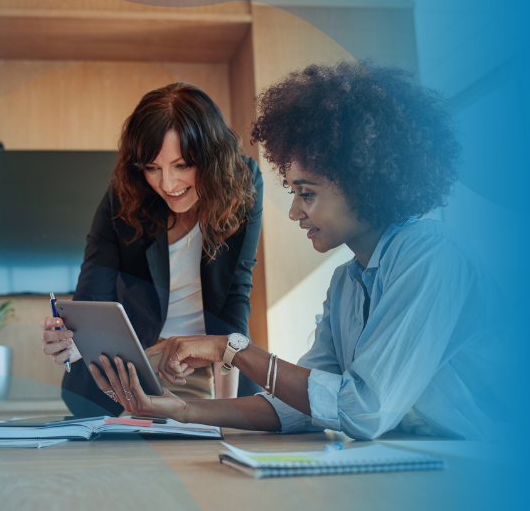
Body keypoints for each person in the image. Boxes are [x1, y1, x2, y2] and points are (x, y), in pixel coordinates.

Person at [89, 61, 507, 440]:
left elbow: (361, 409)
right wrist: (182, 410)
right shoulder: (345, 284)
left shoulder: (431, 255)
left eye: (306, 193)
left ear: (364, 181)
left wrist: (227, 348)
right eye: (293, 191)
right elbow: (298, 407)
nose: (293, 211)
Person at [40, 82, 264, 417]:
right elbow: (92, 298)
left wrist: (226, 410)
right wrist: (72, 341)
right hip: (135, 369)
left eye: (183, 165)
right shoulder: (124, 195)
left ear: (212, 157)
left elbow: (235, 295)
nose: (168, 184)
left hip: (213, 366)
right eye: (152, 168)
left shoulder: (242, 183)